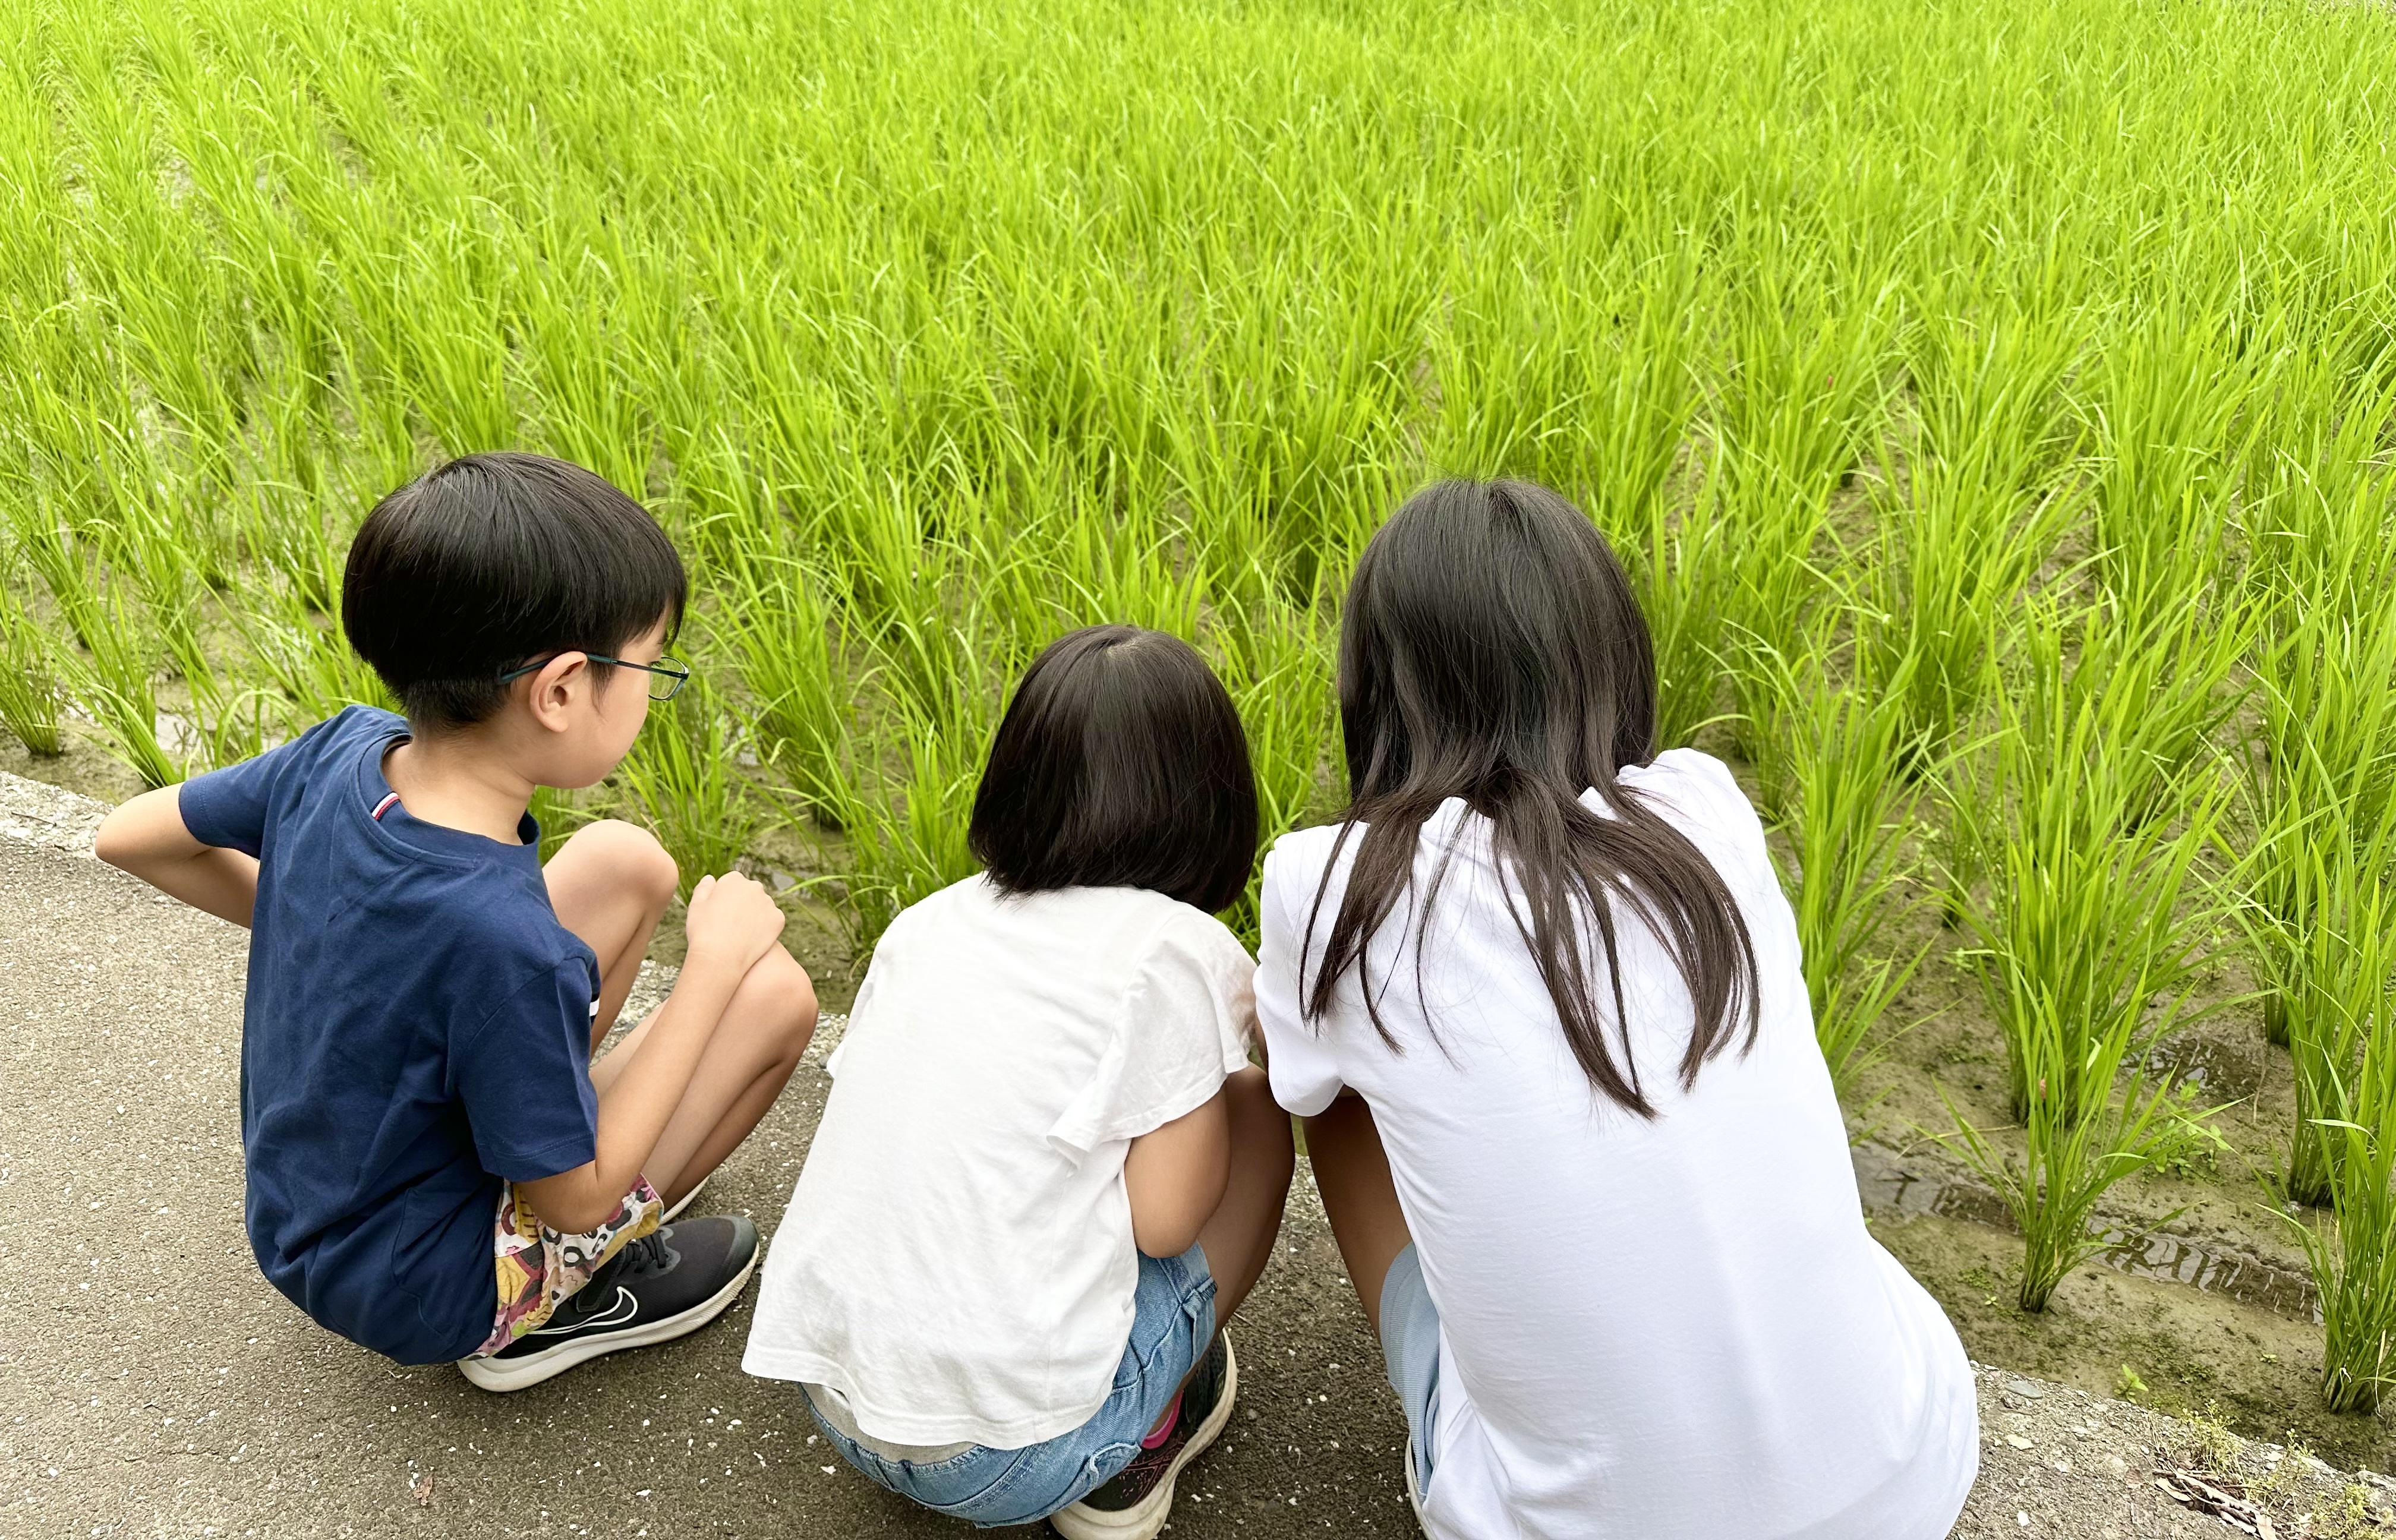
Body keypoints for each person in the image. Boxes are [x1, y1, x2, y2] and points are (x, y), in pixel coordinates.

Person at [1254, 479, 1978, 1540]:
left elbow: (1292, 1078)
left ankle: (1461, 1413)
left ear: (1380, 689)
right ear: (1609, 658)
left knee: (1333, 1090)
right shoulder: (1706, 813)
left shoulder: (1336, 894)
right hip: (1906, 1475)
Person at [94, 452, 818, 1391]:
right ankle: (546, 1318)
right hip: (428, 1285)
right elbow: (574, 1198)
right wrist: (712, 967)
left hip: (307, 1215)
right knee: (775, 998)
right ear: (559, 691)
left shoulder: (343, 750)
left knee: (623, 862)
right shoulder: (502, 944)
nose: (653, 688)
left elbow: (128, 837)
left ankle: (534, 1120)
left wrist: (333, 930)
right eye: (650, 664)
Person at [742, 624, 1295, 1540]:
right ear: (1211, 800)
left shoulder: (923, 926)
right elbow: (1165, 1221)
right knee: (1258, 1110)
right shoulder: (1177, 950)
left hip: (835, 1402)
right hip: (1011, 1460)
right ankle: (1142, 1432)